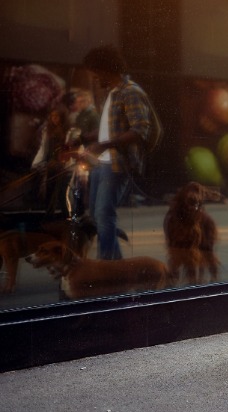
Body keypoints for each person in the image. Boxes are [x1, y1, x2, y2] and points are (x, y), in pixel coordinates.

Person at [81, 45, 153, 260]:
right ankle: (116, 265)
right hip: (100, 163)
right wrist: (85, 138)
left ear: (105, 69)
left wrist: (104, 145)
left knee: (104, 214)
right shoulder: (112, 93)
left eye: (95, 73)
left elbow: (140, 129)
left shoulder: (131, 91)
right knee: (95, 215)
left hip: (117, 164)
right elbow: (108, 129)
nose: (94, 79)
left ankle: (108, 268)